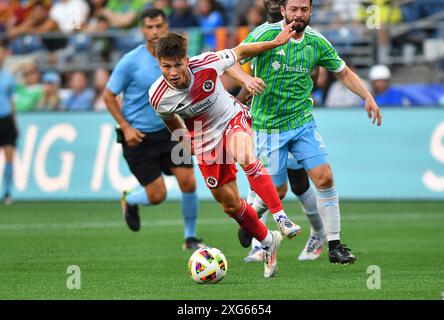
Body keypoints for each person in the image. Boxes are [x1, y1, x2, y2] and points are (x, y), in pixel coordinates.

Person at [236, 0, 382, 265]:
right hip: (267, 126)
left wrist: (367, 96)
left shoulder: (317, 41)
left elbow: (343, 72)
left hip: (302, 123)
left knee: (324, 178)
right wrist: (246, 80)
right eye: (294, 9)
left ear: (311, 11)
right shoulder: (263, 34)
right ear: (283, 10)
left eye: (304, 10)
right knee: (277, 191)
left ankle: (335, 246)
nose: (299, 15)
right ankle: (250, 219)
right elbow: (232, 58)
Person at [148, 26, 301, 278]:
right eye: (166, 67)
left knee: (245, 155)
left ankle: (281, 218)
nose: (173, 73)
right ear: (159, 64)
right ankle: (267, 240)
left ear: (186, 60)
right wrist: (185, 141)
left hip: (231, 117)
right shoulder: (158, 96)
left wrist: (275, 43)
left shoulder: (206, 63)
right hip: (204, 139)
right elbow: (169, 119)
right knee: (230, 205)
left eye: (177, 65)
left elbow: (240, 51)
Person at [103, 8, 204, 250]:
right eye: (149, 27)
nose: (155, 32)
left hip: (171, 131)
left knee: (188, 182)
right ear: (142, 29)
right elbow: (108, 95)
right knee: (157, 196)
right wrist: (125, 127)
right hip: (139, 137)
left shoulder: (179, 59)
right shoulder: (130, 61)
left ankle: (190, 237)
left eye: (159, 26)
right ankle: (130, 199)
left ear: (167, 26)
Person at [235, 0, 326, 263]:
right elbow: (244, 71)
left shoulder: (303, 32)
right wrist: (240, 102)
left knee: (298, 182)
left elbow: (313, 73)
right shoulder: (261, 34)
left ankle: (318, 234)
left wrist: (294, 93)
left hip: (295, 121)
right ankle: (258, 241)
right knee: (267, 179)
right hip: (267, 123)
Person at [0, 43, 17, 204]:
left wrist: (15, 122)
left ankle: (7, 191)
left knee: (9, 155)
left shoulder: (8, 77)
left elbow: (12, 101)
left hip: (6, 119)